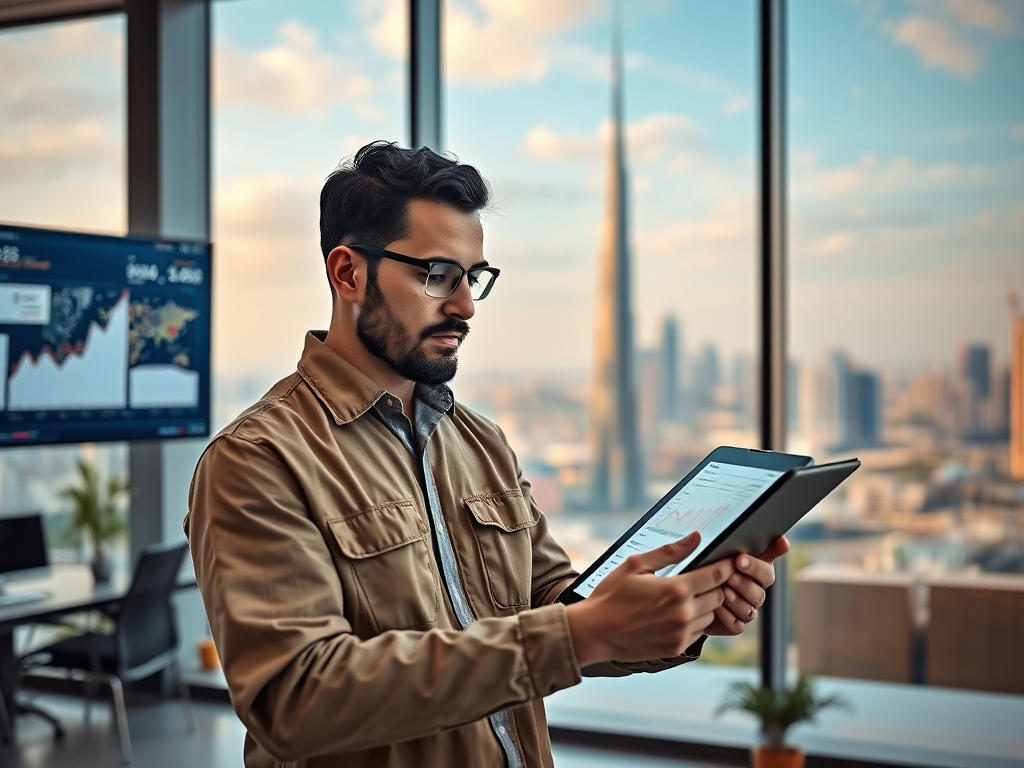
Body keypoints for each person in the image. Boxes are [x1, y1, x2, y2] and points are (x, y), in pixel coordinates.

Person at [185, 141, 788, 768]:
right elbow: (296, 700)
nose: (465, 306)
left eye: (473, 277)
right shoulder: (256, 461)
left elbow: (557, 605)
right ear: (348, 274)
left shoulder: (480, 442)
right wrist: (579, 633)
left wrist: (677, 609)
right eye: (435, 275)